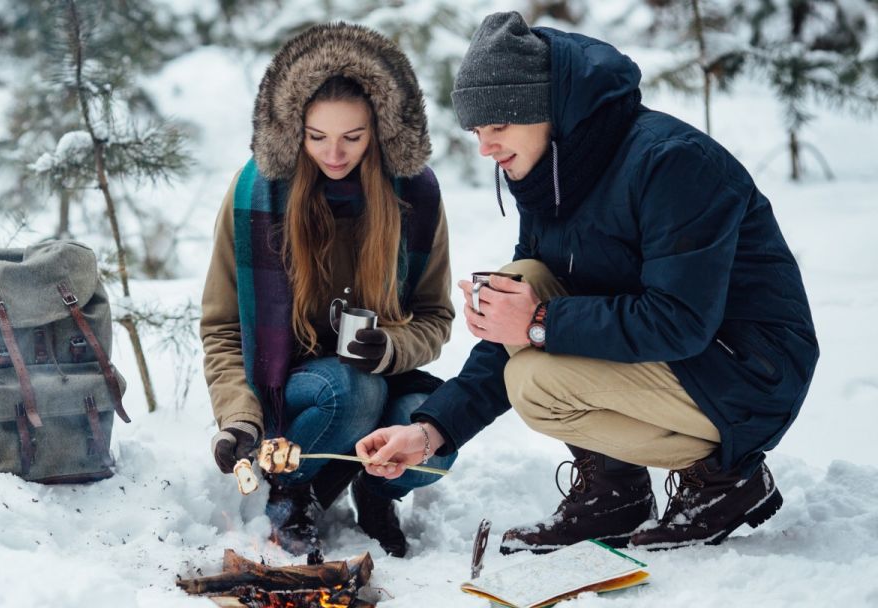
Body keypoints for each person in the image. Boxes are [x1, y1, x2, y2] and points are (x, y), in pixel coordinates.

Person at [355, 11, 818, 554]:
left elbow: (682, 319)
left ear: (543, 109)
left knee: (536, 381)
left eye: (498, 126)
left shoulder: (671, 163)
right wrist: (431, 431)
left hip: (748, 370)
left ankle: (725, 482)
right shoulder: (552, 172)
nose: (485, 147)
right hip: (687, 363)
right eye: (477, 131)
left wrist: (539, 322)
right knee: (521, 281)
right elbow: (519, 318)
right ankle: (614, 491)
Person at [201, 22, 457, 559]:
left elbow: (434, 317)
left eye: (352, 137)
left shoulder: (416, 196)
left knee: (437, 435)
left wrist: (391, 349)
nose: (334, 154)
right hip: (292, 394)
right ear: (295, 129)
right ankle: (293, 491)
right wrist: (239, 418)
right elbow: (223, 324)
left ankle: (374, 489)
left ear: (381, 130)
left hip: (383, 376)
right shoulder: (257, 194)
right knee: (349, 388)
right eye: (316, 137)